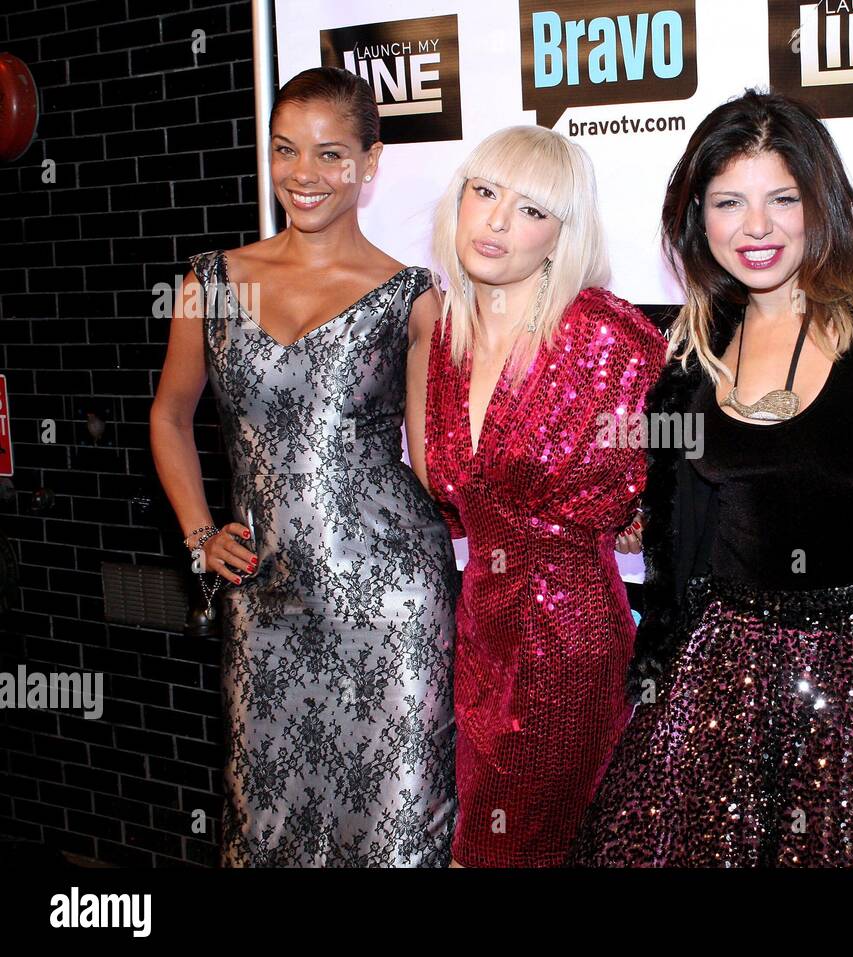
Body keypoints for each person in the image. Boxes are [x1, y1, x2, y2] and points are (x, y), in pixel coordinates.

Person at [569, 90, 853, 867]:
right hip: (721, 680)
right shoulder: (697, 345)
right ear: (697, 217)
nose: (755, 228)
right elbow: (691, 525)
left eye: (782, 198)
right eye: (728, 202)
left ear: (820, 200)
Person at [150, 67, 457, 867]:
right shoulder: (209, 284)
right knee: (266, 825)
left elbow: (434, 465)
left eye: (330, 154)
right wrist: (197, 534)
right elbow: (169, 417)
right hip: (266, 599)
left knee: (392, 833)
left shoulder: (412, 297)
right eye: (286, 151)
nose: (304, 175)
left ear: (370, 162)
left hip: (392, 605)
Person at [423, 126, 665, 867]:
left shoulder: (604, 338)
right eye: (485, 192)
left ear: (563, 237)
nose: (496, 221)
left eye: (531, 210)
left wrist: (642, 515)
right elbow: (446, 489)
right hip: (481, 636)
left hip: (568, 644)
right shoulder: (445, 337)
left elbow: (672, 484)